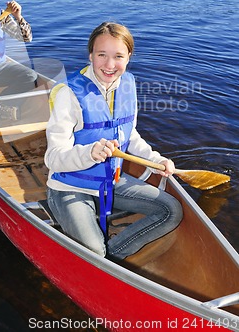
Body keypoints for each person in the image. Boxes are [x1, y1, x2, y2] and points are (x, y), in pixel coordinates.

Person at [44, 22, 183, 261]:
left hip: (110, 181)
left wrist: (155, 161)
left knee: (171, 210)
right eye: (102, 55)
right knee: (94, 252)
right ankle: (100, 255)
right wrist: (89, 153)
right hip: (70, 186)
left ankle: (114, 254)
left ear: (129, 57)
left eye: (118, 56)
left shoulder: (128, 84)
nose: (109, 65)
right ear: (90, 55)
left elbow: (130, 136)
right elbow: (53, 158)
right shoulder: (68, 93)